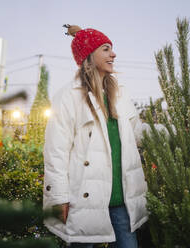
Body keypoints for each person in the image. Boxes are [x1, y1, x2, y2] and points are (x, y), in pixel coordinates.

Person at [43, 25, 157, 248]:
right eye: (105, 49)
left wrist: (167, 133)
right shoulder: (68, 97)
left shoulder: (120, 94)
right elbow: (56, 151)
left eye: (111, 49)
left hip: (122, 199)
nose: (113, 54)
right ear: (89, 55)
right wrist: (58, 198)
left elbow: (137, 133)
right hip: (84, 200)